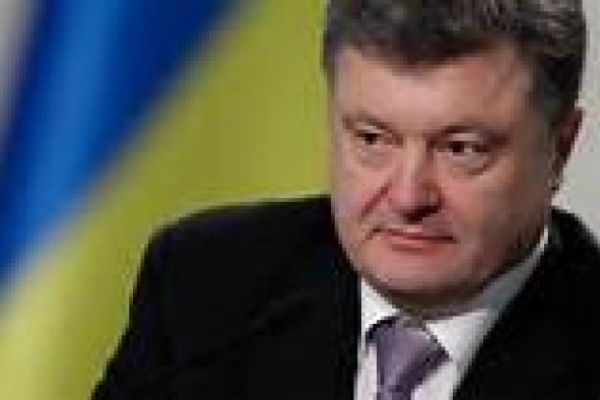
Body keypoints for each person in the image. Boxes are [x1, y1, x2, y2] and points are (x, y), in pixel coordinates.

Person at [93, 0, 600, 399]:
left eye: (461, 149)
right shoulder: (205, 282)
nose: (407, 197)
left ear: (559, 148)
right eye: (373, 139)